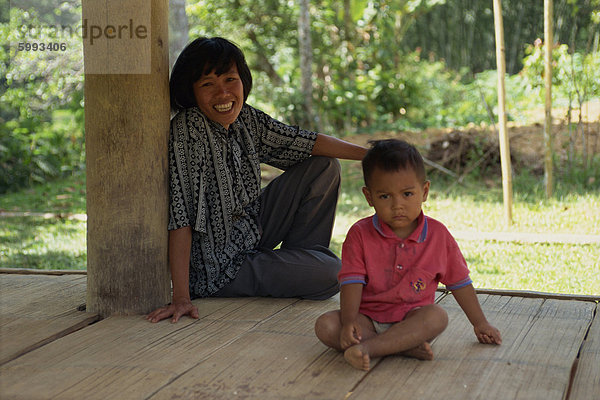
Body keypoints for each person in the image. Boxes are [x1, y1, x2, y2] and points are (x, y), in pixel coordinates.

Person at [146, 37, 366, 324]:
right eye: (207, 84)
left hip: (250, 231)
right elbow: (182, 216)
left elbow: (305, 142)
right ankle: (300, 271)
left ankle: (297, 267)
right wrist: (182, 297)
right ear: (191, 92)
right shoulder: (190, 130)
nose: (223, 93)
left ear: (243, 81)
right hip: (220, 268)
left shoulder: (245, 118)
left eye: (230, 79)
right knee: (332, 272)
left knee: (323, 167)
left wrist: (372, 156)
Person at [314, 139, 501, 371]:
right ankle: (400, 347)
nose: (397, 205)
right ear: (369, 197)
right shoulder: (359, 234)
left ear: (424, 192)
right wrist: (350, 322)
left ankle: (369, 349)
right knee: (326, 325)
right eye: (384, 196)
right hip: (368, 319)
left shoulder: (438, 235)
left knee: (437, 317)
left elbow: (459, 282)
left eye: (407, 194)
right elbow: (351, 282)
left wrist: (480, 323)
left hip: (413, 320)